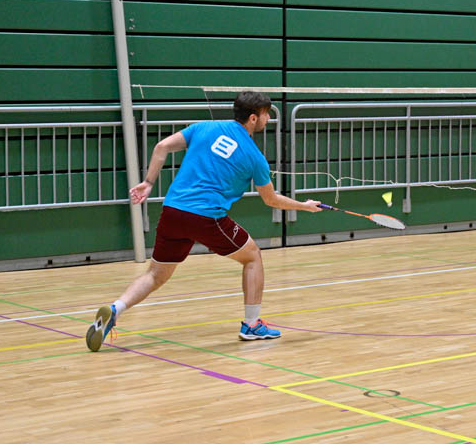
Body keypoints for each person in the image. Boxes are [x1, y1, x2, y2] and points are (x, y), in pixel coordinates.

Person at [86, 91, 321, 351]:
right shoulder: (255, 157)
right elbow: (271, 200)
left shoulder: (204, 127)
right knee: (252, 256)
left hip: (173, 211)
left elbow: (161, 147)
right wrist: (304, 206)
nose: (268, 119)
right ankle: (252, 325)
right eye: (266, 114)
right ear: (253, 118)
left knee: (155, 274)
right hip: (207, 217)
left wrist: (148, 182)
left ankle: (115, 309)